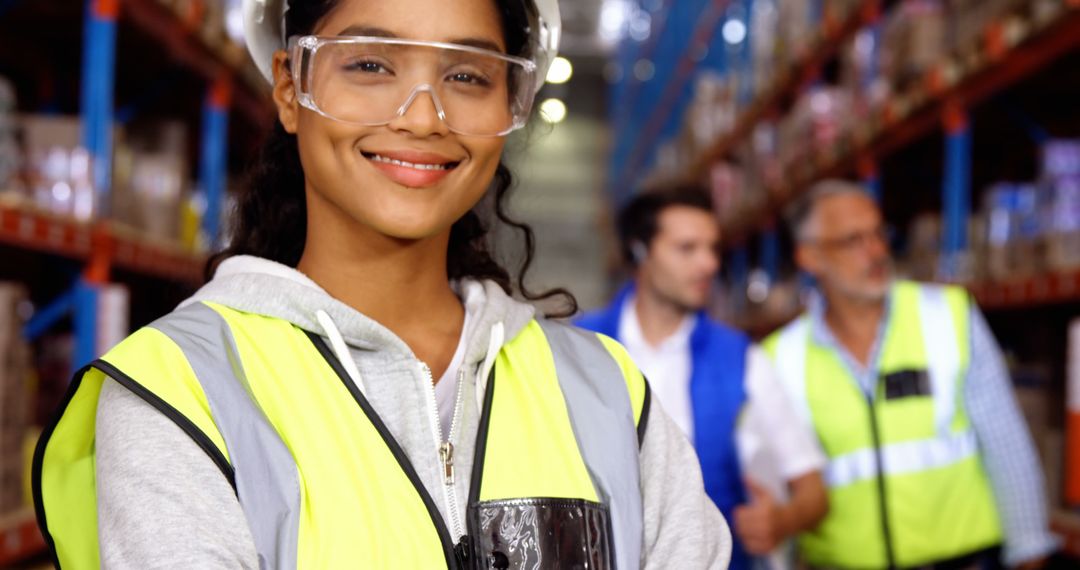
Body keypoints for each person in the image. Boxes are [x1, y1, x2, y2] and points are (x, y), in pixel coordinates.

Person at [32, 0, 732, 568]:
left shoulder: (608, 394)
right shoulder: (178, 392)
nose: (423, 117)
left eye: (467, 76)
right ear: (289, 87)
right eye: (370, 64)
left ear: (509, 107)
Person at [763, 179, 1059, 569]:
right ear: (810, 257)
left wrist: (1029, 549)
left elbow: (1006, 444)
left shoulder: (948, 315)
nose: (876, 252)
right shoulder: (781, 357)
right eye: (853, 240)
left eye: (878, 234)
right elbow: (778, 491)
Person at [578, 188, 828, 570]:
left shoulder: (741, 359)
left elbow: (813, 493)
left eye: (713, 248)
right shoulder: (579, 350)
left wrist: (781, 521)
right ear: (640, 252)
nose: (709, 263)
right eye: (687, 248)